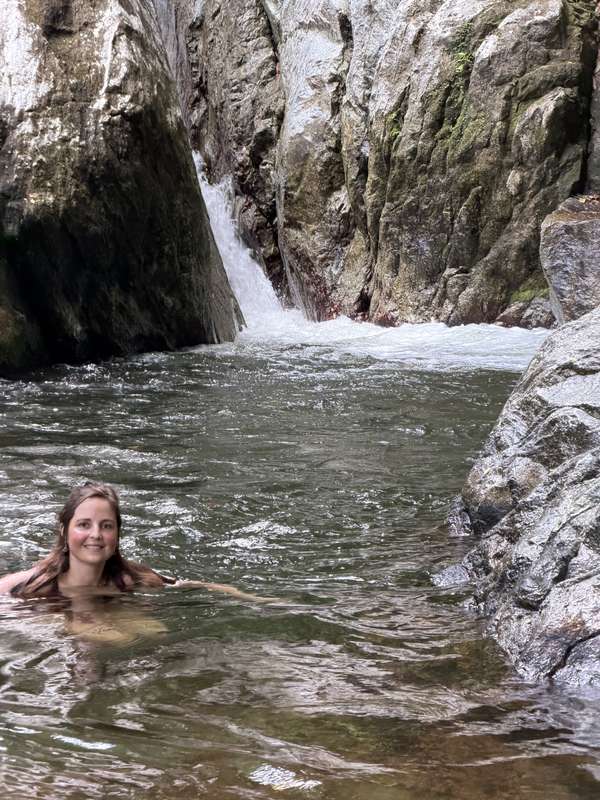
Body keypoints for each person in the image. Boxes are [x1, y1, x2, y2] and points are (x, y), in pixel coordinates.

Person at [0, 481, 269, 602]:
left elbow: (187, 586)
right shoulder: (33, 585)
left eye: (106, 526)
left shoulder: (130, 579)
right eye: (84, 524)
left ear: (117, 534)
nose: (96, 534)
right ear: (64, 530)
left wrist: (249, 598)